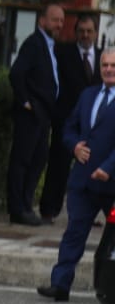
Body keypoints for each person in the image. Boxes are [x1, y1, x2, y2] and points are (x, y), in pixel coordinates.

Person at [38, 49, 115, 301]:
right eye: (105, 65)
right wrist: (74, 147)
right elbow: (69, 127)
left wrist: (108, 168)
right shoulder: (88, 95)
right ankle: (60, 285)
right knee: (74, 233)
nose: (108, 69)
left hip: (111, 182)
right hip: (83, 181)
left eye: (113, 65)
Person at [7, 4, 66, 226]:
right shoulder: (34, 43)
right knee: (22, 160)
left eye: (61, 20)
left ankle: (26, 204)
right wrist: (26, 102)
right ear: (42, 21)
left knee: (38, 159)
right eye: (55, 20)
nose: (59, 25)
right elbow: (16, 73)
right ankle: (17, 209)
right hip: (31, 114)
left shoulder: (49, 45)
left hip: (44, 114)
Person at [40, 13, 101, 223]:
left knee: (91, 169)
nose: (85, 35)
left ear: (96, 33)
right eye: (81, 31)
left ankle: (87, 213)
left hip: (94, 123)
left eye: (89, 31)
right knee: (59, 166)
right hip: (68, 121)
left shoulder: (103, 58)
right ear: (76, 33)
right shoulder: (63, 53)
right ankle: (49, 210)